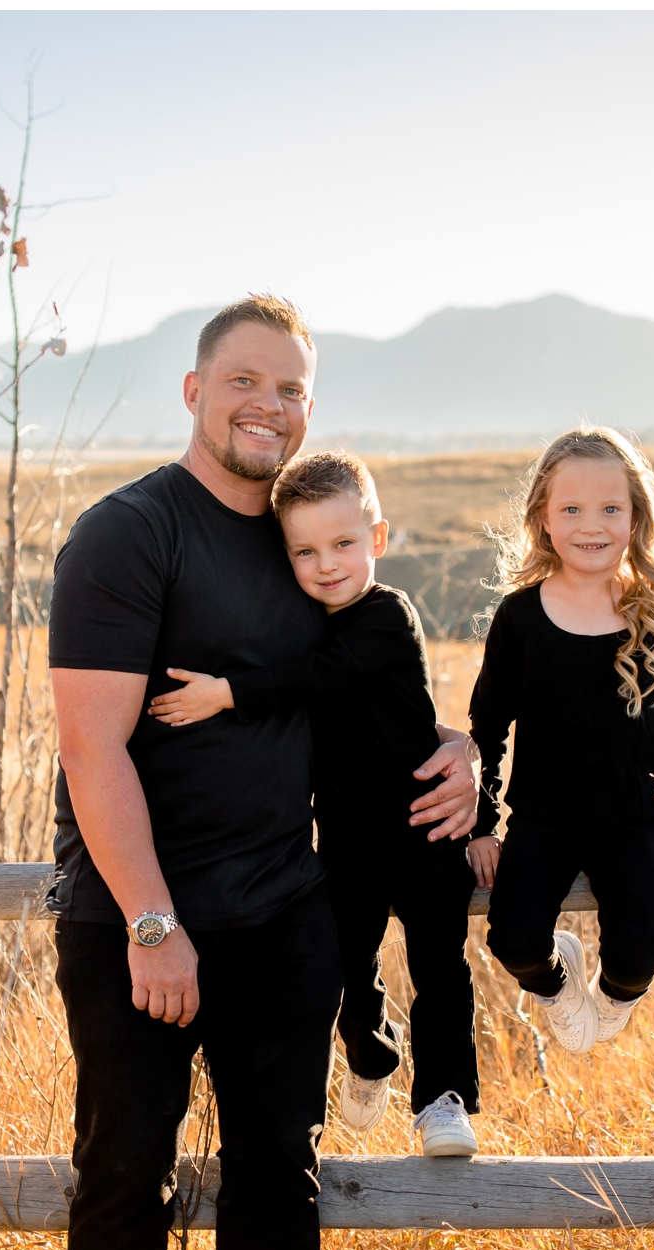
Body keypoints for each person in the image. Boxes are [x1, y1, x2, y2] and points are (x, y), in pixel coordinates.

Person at [46, 295, 479, 1250]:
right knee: (127, 1170)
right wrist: (152, 921)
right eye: (246, 380)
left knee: (275, 1181)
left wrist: (460, 750)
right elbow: (93, 748)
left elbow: (360, 679)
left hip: (287, 911)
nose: (269, 405)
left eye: (292, 389)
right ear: (194, 390)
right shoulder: (129, 534)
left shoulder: (310, 534)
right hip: (138, 919)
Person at [146, 450, 483, 1159]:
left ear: (378, 540)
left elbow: (320, 676)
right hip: (348, 836)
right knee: (343, 964)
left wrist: (224, 691)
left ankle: (443, 1101)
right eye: (305, 550)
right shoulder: (299, 621)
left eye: (343, 544)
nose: (326, 564)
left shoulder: (387, 615)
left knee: (439, 968)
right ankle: (372, 1055)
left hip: (424, 824)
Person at [465, 426, 654, 1052]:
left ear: (636, 517)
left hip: (637, 820)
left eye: (611, 508)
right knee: (514, 940)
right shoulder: (521, 617)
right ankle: (559, 984)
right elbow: (488, 727)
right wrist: (481, 824)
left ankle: (611, 998)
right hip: (542, 821)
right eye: (572, 509)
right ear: (544, 521)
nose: (593, 524)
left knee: (637, 960)